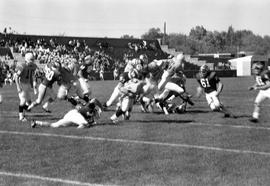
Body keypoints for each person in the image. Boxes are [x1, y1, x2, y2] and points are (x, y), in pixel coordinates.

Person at [31, 98, 102, 128]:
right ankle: (77, 133)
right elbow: (94, 100)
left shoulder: (90, 114)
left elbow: (92, 120)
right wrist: (101, 108)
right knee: (85, 124)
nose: (96, 116)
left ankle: (36, 122)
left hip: (71, 114)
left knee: (54, 125)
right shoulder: (89, 107)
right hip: (75, 114)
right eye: (96, 114)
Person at [14, 53, 38, 121]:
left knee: (29, 104)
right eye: (31, 59)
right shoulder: (22, 66)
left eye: (33, 59)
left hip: (28, 84)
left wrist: (34, 83)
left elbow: (34, 75)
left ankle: (24, 109)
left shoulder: (33, 66)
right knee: (23, 101)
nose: (32, 61)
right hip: (22, 84)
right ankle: (21, 117)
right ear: (27, 59)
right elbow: (16, 76)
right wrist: (18, 87)